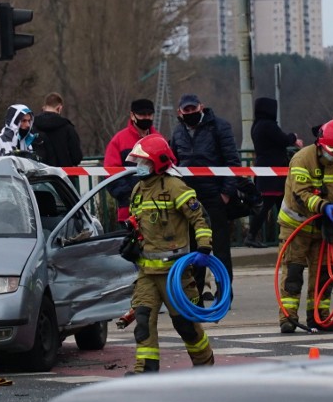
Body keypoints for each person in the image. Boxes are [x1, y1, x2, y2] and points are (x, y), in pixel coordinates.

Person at [124, 134, 215, 374]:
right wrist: (131, 240)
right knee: (143, 322)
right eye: (138, 161)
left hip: (174, 272)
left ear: (158, 162)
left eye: (144, 161)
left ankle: (205, 365)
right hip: (147, 273)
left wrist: (204, 245)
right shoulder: (137, 189)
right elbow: (138, 223)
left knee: (185, 324)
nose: (139, 166)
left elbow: (199, 217)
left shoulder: (175, 187)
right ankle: (145, 370)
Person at [277, 119, 333, 334]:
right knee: (293, 272)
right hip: (297, 226)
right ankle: (288, 318)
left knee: (323, 274)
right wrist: (323, 207)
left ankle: (319, 317)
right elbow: (300, 194)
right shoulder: (302, 159)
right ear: (320, 143)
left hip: (325, 228)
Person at [170, 93, 241, 299]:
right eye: (187, 110)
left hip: (214, 196)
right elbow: (174, 162)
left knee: (219, 248)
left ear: (201, 107)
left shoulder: (219, 126)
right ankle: (196, 294)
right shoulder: (178, 132)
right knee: (195, 249)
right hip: (189, 198)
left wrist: (226, 193)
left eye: (194, 109)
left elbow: (232, 161)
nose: (191, 113)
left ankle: (224, 292)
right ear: (180, 112)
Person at [245, 97, 302, 248]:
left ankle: (289, 234)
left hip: (267, 171)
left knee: (283, 204)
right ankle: (252, 235)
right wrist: (294, 137)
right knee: (269, 205)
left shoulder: (256, 125)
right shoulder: (268, 126)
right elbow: (283, 139)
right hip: (273, 173)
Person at [104, 98, 160, 221]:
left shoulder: (160, 140)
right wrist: (130, 197)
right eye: (142, 114)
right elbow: (111, 174)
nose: (146, 118)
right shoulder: (119, 141)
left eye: (149, 114)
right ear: (132, 115)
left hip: (159, 210)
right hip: (129, 211)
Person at [32, 92, 83, 167]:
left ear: (44, 107)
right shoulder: (67, 128)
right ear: (59, 108)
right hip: (64, 174)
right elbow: (76, 157)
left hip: (39, 174)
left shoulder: (32, 126)